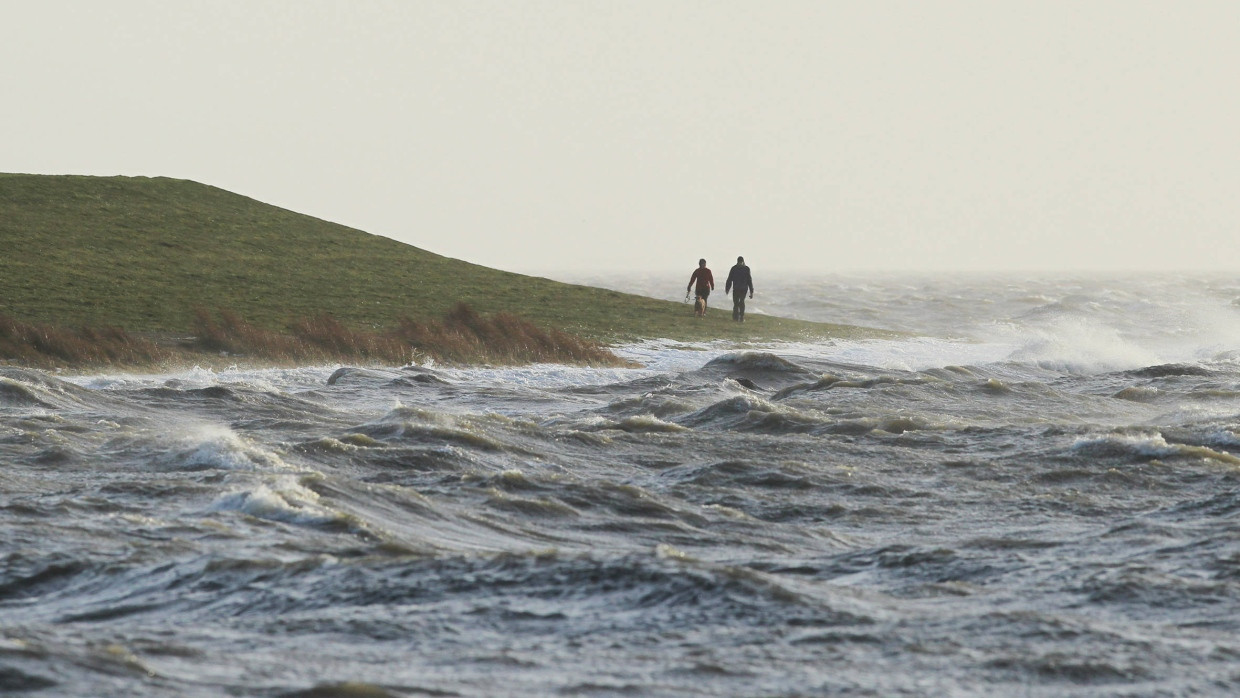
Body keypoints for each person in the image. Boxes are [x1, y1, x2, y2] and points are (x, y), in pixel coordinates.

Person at [724, 256, 754, 322]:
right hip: (739, 288)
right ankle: (737, 317)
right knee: (737, 303)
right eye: (739, 262)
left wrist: (751, 291)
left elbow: (749, 280)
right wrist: (727, 288)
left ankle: (740, 317)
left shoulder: (743, 269)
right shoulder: (736, 268)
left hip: (742, 289)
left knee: (740, 302)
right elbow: (729, 279)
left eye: (740, 262)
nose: (740, 263)